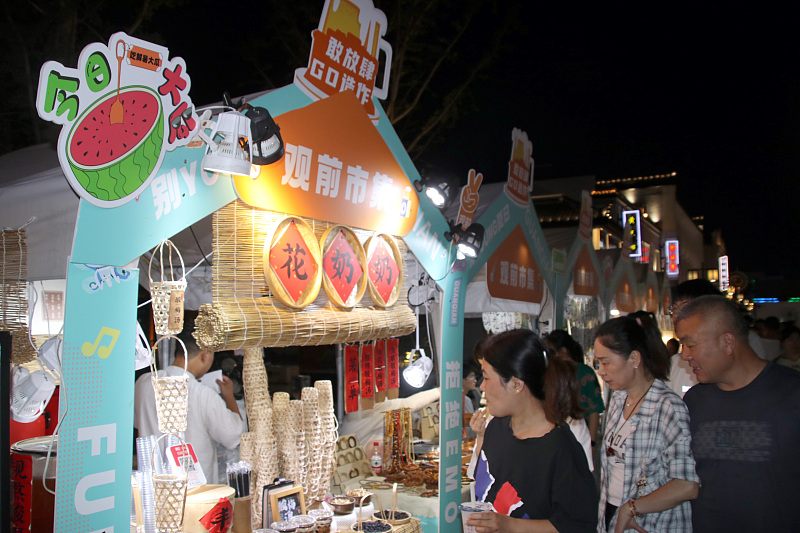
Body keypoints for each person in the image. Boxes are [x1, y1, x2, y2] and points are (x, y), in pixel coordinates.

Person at [676, 296, 800, 531]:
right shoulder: (694, 400)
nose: (684, 355)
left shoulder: (792, 394)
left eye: (691, 345)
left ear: (727, 342)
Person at [467, 329, 598, 533]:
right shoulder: (495, 427)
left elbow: (577, 525)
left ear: (517, 384)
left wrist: (510, 525)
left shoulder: (561, 450)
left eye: (487, 377)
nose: (482, 386)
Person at [594, 312, 699, 532]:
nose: (601, 372)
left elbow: (686, 485)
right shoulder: (618, 399)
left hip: (653, 522)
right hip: (611, 511)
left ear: (634, 358)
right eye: (598, 364)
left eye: (606, 363)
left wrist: (632, 508)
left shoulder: (668, 407)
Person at [134, 327, 245, 485]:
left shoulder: (143, 383)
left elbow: (137, 422)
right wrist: (230, 398)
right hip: (196, 493)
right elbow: (233, 437)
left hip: (153, 488)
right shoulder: (203, 394)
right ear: (205, 355)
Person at [544, 330, 604, 447]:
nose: (549, 357)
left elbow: (594, 411)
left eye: (551, 352)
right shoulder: (550, 373)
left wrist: (591, 442)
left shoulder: (584, 372)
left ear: (563, 351)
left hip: (580, 434)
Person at [463, 362, 479, 438]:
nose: (475, 380)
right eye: (472, 377)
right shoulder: (464, 400)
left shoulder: (467, 399)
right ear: (462, 380)